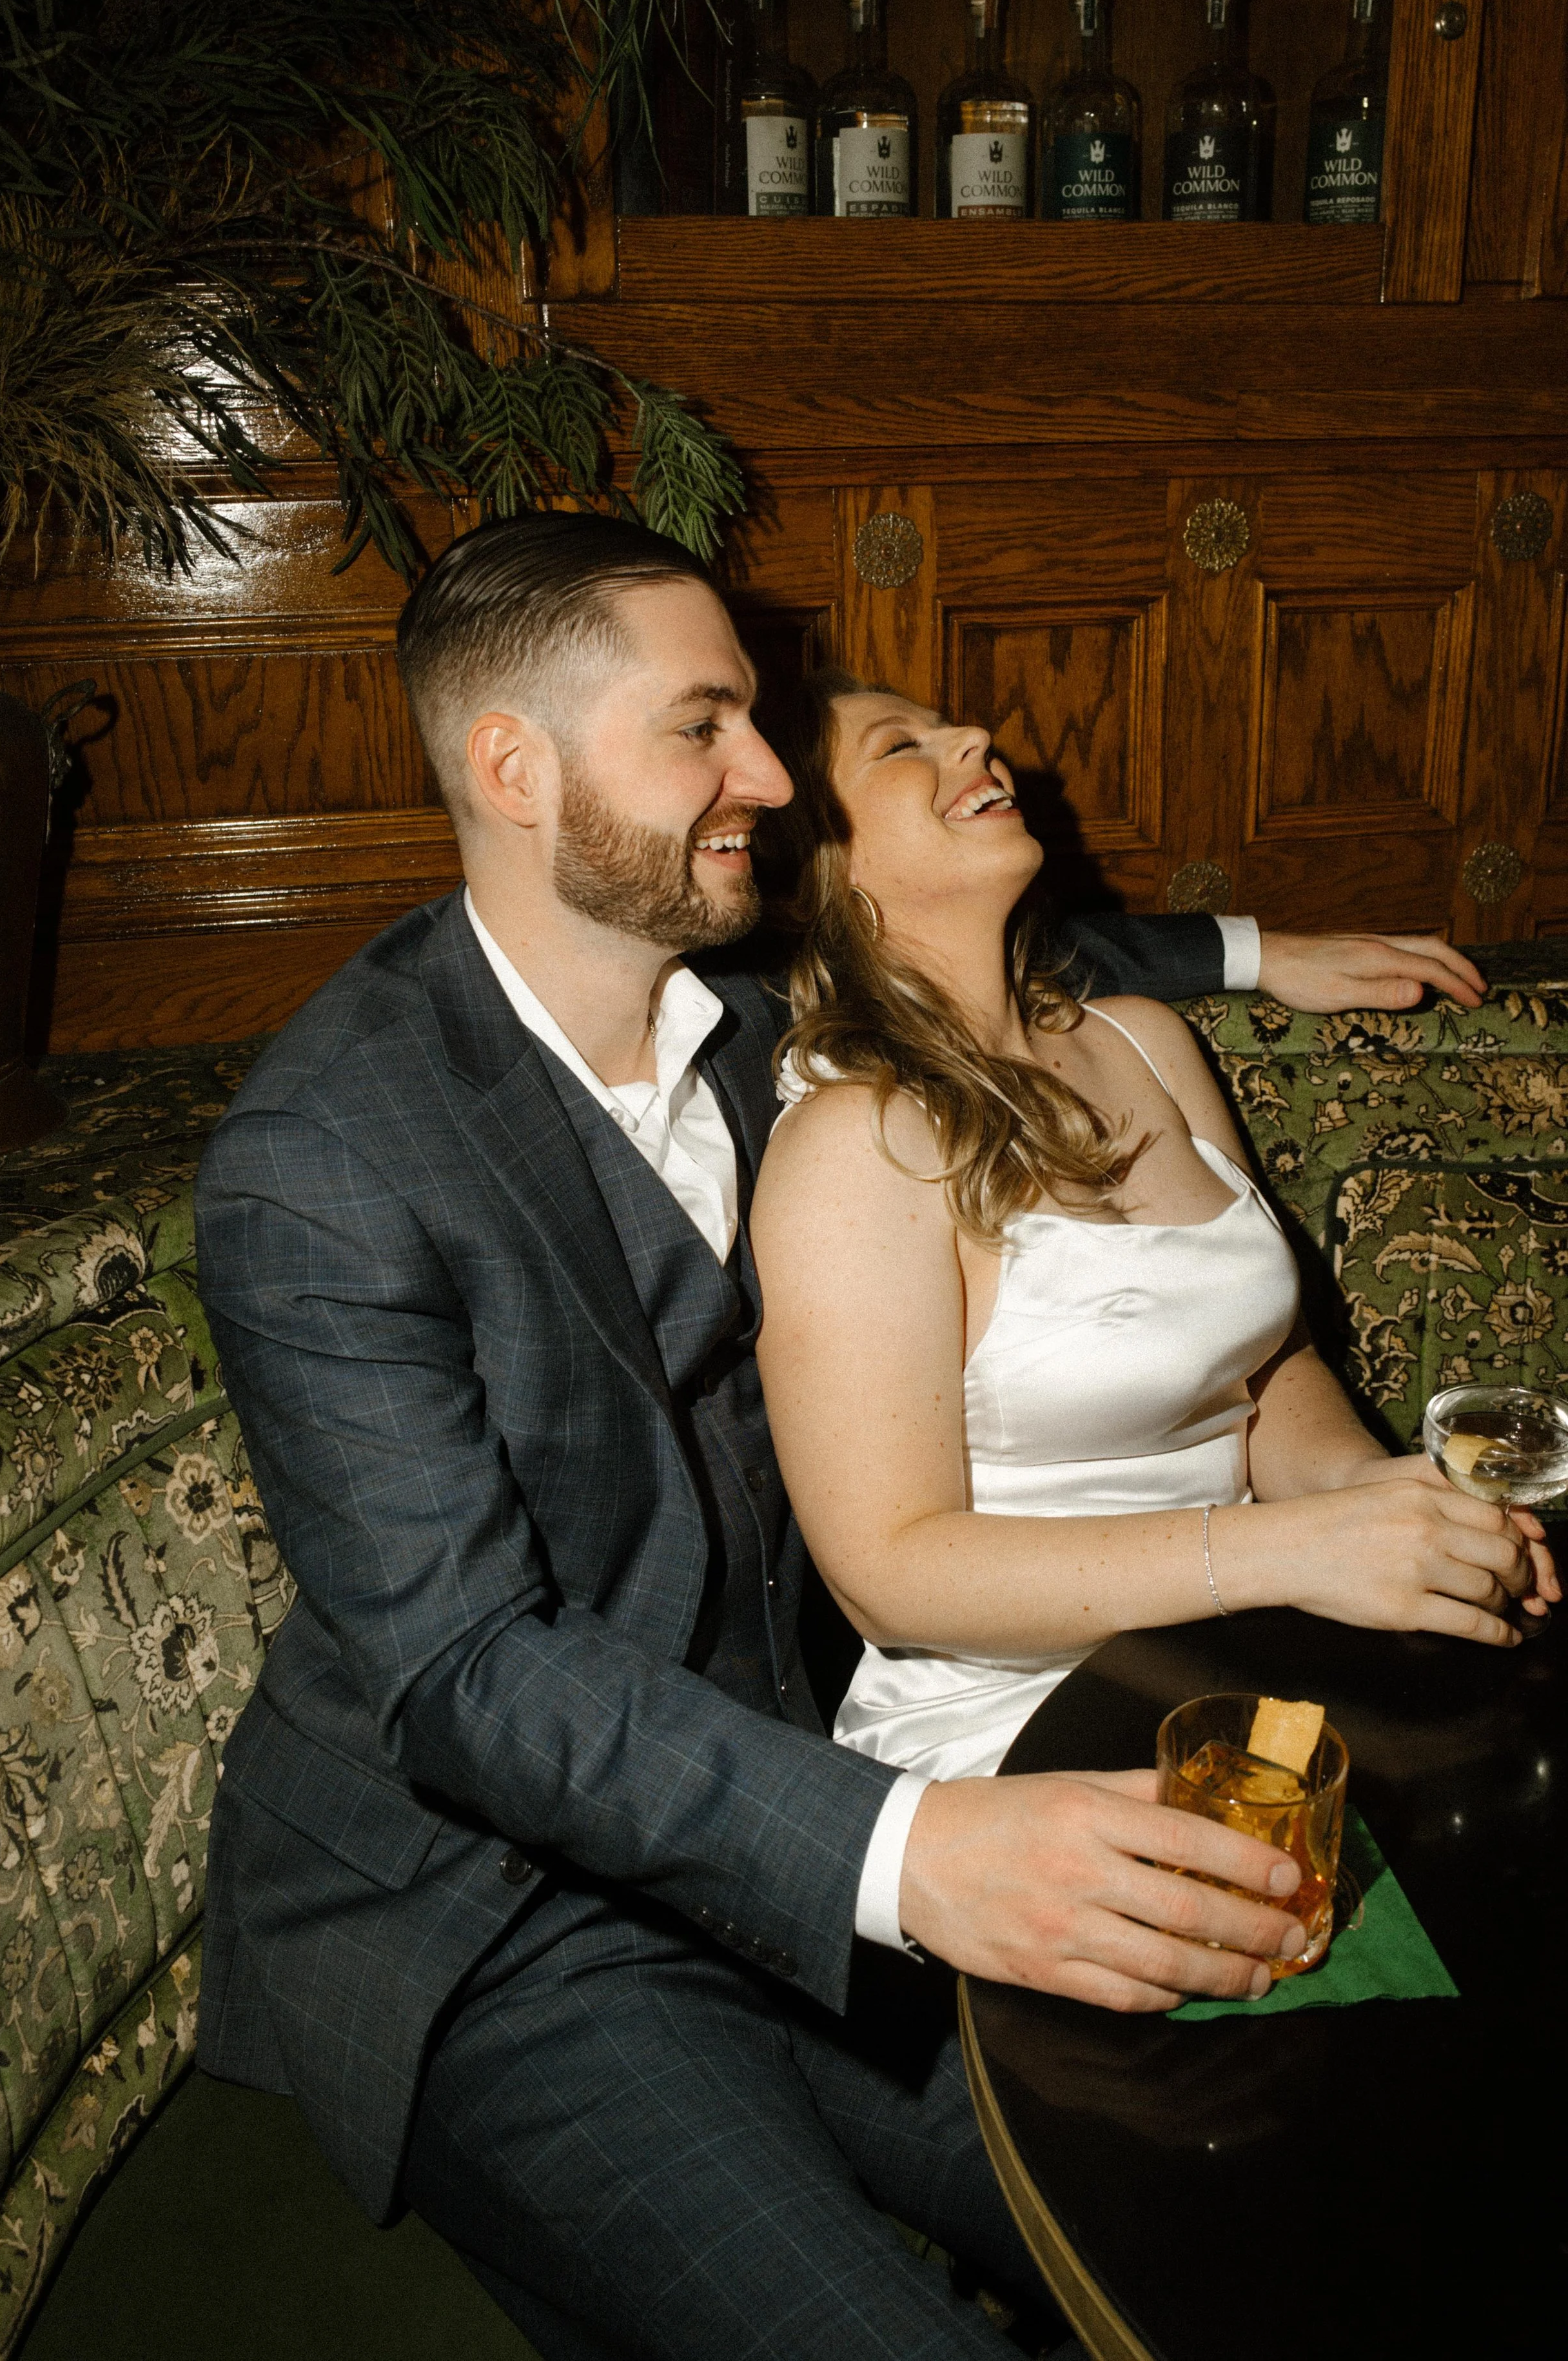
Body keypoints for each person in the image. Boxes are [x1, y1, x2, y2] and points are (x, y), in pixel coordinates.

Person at [195, 515, 1501, 2361]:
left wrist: (1254, 946)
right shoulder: (324, 1158)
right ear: (514, 764)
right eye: (704, 728)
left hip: (794, 1813)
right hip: (492, 1910)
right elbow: (465, 1669)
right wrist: (911, 1851)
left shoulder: (748, 1013)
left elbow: (1005, 951)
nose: (760, 772)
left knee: (1293, 2195)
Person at [750, 668, 1558, 1796]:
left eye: (954, 727)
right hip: (1012, 1735)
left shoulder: (1141, 1042)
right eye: (901, 748)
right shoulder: (854, 1141)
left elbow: (1263, 1369)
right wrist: (1300, 1553)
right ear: (820, 870)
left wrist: (1377, 1501)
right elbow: (890, 1573)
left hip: (1242, 1658)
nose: (976, 736)